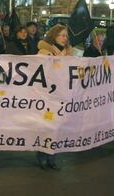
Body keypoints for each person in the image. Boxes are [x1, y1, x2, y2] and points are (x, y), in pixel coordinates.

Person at [36, 24, 73, 170]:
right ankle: (42, 155)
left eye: (66, 36)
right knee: (46, 126)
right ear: (54, 36)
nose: (65, 38)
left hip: (62, 95)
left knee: (57, 127)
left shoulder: (69, 53)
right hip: (48, 96)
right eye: (62, 35)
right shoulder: (44, 52)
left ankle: (52, 156)